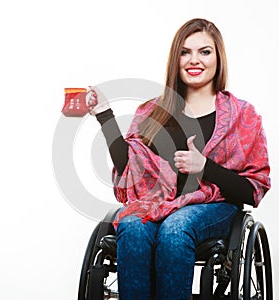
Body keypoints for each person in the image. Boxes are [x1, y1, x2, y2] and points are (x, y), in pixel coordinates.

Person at [87, 18, 271, 300]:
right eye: (185, 52)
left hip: (213, 207)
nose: (194, 60)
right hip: (157, 202)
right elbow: (129, 169)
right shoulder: (152, 111)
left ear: (218, 57)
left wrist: (204, 168)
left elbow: (252, 189)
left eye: (204, 51)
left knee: (176, 228)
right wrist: (105, 116)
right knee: (133, 226)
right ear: (176, 59)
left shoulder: (242, 116)